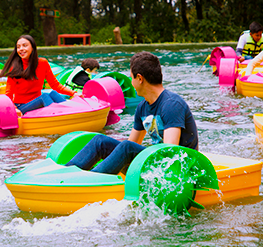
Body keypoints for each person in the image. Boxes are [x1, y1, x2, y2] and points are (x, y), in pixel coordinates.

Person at [65, 51, 198, 175]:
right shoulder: (143, 107)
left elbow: (170, 152)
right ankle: (65, 174)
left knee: (127, 147)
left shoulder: (171, 104)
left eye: (131, 78)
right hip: (157, 161)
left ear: (139, 78)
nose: (132, 83)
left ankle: (89, 181)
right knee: (100, 141)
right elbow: (132, 144)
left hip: (178, 168)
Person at [0, 35, 76, 115]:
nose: (21, 49)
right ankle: (56, 117)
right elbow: (9, 93)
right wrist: (15, 109)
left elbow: (55, 85)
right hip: (21, 107)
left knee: (53, 93)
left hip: (38, 102)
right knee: (44, 96)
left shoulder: (43, 63)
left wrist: (73, 93)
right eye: (18, 47)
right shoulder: (14, 68)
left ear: (32, 47)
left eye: (25, 45)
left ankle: (72, 112)